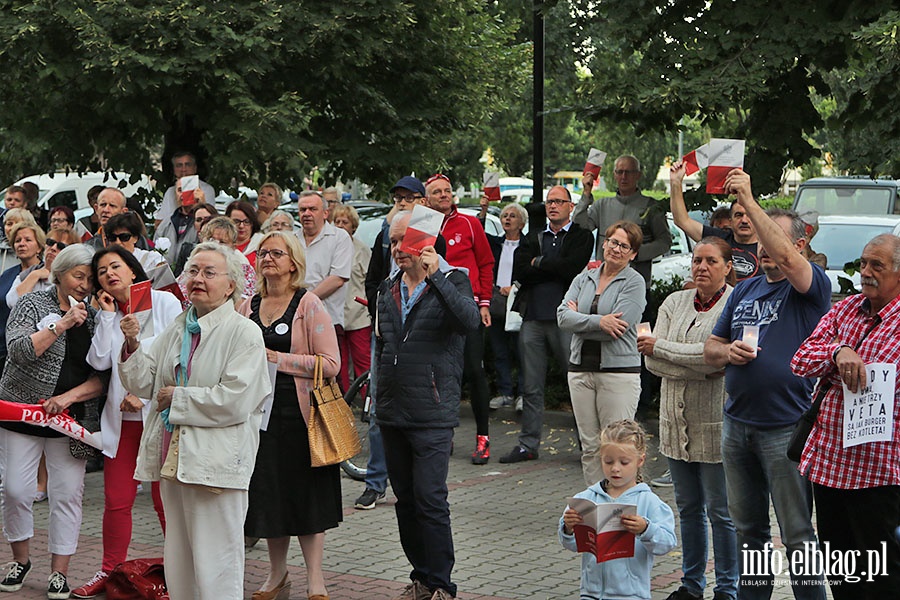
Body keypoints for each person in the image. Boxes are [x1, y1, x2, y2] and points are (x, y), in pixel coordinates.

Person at [118, 242, 270, 600]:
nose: (197, 279)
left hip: (217, 461)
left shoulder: (243, 332)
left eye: (208, 273)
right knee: (180, 557)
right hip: (176, 457)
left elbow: (237, 400)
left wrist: (179, 398)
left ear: (231, 285)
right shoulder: (179, 326)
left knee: (217, 558)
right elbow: (144, 382)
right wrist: (132, 345)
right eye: (193, 271)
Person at [704, 169, 830, 599]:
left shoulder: (810, 286)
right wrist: (728, 353)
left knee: (797, 533)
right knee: (748, 532)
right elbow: (711, 347)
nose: (763, 244)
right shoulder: (745, 290)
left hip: (786, 427)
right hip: (737, 424)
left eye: (772, 236)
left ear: (798, 245)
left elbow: (793, 264)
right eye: (760, 236)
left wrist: (749, 199)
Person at [376, 212, 480, 600]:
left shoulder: (453, 280)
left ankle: (442, 584)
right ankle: (420, 576)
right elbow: (382, 345)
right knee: (405, 500)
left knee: (430, 498)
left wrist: (435, 278)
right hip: (392, 409)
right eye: (392, 242)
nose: (397, 249)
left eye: (404, 240)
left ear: (425, 243)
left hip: (432, 412)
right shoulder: (388, 287)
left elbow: (469, 322)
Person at [790, 233, 900, 599]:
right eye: (864, 262)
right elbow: (802, 360)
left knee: (882, 576)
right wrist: (839, 351)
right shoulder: (844, 310)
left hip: (879, 471)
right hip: (832, 466)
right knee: (842, 574)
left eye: (877, 266)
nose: (866, 271)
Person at [70, 247, 182, 598]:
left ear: (133, 270)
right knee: (116, 500)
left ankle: (179, 574)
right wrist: (105, 317)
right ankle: (108, 570)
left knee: (165, 501)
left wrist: (145, 396)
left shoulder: (164, 302)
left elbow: (174, 356)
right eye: (101, 272)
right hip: (122, 423)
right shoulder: (107, 312)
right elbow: (100, 361)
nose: (109, 275)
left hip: (159, 418)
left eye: (115, 266)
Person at [237, 231, 342, 600]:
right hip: (258, 418)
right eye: (263, 253)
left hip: (301, 416)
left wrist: (278, 360)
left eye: (276, 253)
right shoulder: (247, 305)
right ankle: (277, 575)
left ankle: (316, 579)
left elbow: (331, 364)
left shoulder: (308, 303)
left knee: (306, 498)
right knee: (269, 497)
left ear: (293, 262)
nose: (267, 258)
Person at [0, 244, 103, 599]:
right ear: (59, 273)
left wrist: (69, 398)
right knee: (15, 490)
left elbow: (103, 374)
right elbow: (18, 350)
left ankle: (59, 572)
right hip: (21, 411)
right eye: (78, 276)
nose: (84, 285)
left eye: (90, 278)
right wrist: (61, 325)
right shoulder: (32, 303)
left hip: (69, 417)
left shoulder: (96, 314)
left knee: (67, 494)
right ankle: (20, 559)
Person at [640, 237, 738, 600]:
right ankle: (692, 585)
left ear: (727, 267)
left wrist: (667, 351)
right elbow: (651, 362)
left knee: (721, 512)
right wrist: (704, 363)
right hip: (673, 426)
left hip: (713, 426)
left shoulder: (734, 304)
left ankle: (728, 588)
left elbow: (722, 359)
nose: (702, 267)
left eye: (711, 261)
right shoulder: (673, 302)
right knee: (688, 508)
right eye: (697, 260)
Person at [500, 186, 593, 463]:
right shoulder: (532, 237)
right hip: (533, 319)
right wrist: (549, 267)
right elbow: (521, 272)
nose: (553, 206)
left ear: (570, 205)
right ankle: (528, 445)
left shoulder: (581, 236)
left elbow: (572, 269)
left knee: (576, 383)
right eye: (550, 202)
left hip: (567, 320)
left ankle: (588, 446)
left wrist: (538, 263)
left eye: (559, 202)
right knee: (531, 385)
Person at [356, 176, 430, 512]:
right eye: (397, 197)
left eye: (409, 197)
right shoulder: (386, 234)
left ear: (422, 200)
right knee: (378, 408)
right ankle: (375, 483)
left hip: (418, 331)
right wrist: (380, 308)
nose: (402, 202)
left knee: (418, 407)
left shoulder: (431, 233)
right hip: (385, 328)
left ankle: (415, 484)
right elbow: (373, 279)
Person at [558, 221, 647, 485]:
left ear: (633, 254)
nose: (616, 249)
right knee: (590, 447)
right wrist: (599, 321)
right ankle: (596, 511)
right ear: (604, 243)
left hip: (618, 374)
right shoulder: (584, 276)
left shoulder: (635, 282)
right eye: (612, 242)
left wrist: (580, 319)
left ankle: (621, 510)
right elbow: (562, 318)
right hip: (580, 371)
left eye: (624, 246)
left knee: (618, 448)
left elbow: (619, 327)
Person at [558, 420, 676, 600]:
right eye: (608, 461)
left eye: (624, 462)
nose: (615, 468)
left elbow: (666, 544)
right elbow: (572, 545)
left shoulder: (649, 501)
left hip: (631, 594)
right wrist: (568, 528)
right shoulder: (587, 498)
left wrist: (645, 528)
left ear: (640, 460)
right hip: (591, 593)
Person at [425, 174, 494, 464]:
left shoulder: (470, 223)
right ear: (426, 199)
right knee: (439, 375)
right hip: (432, 309)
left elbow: (486, 263)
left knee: (474, 372)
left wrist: (485, 304)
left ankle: (483, 437)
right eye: (437, 192)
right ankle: (444, 433)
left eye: (447, 191)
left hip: (468, 307)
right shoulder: (422, 225)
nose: (444, 195)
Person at [573, 155, 671, 284]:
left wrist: (636, 253)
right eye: (620, 172)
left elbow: (665, 242)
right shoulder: (602, 206)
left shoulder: (650, 207)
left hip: (636, 284)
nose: (624, 177)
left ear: (638, 175)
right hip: (603, 282)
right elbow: (579, 228)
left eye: (629, 172)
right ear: (614, 175)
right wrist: (586, 194)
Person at [670, 160, 759, 281]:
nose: (744, 220)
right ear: (730, 220)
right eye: (738, 215)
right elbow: (682, 221)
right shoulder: (718, 240)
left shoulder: (769, 246)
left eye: (749, 215)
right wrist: (676, 182)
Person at [483, 202, 527, 410]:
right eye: (504, 216)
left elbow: (533, 269)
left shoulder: (528, 245)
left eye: (512, 216)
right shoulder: (495, 243)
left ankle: (523, 394)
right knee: (499, 350)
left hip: (518, 303)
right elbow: (478, 233)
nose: (507, 219)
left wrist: (516, 285)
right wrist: (483, 210)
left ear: (522, 223)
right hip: (497, 303)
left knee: (521, 350)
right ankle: (505, 392)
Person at [296, 190, 352, 331]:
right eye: (303, 210)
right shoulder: (291, 240)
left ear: (325, 213)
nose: (307, 213)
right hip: (295, 320)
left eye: (313, 209)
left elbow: (337, 279)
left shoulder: (340, 238)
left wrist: (304, 301)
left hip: (328, 320)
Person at [331, 204, 372, 394]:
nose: (340, 225)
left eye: (344, 222)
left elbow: (369, 280)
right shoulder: (330, 248)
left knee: (362, 361)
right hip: (334, 313)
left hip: (358, 313)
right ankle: (344, 402)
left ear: (353, 226)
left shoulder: (362, 250)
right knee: (339, 363)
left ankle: (368, 400)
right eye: (336, 221)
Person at [0, 218, 43, 374]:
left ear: (39, 246)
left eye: (28, 240)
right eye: (17, 240)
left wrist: (35, 275)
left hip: (32, 350)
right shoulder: (7, 275)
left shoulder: (47, 275)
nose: (21, 243)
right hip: (3, 346)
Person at [153, 151, 216, 229]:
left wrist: (202, 203)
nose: (183, 169)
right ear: (174, 170)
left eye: (188, 164)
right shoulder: (170, 192)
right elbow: (158, 224)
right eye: (179, 165)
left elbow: (212, 222)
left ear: (195, 168)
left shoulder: (206, 189)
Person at [155, 181, 203, 267]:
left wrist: (202, 205)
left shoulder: (204, 222)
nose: (183, 194)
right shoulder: (167, 222)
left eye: (188, 190)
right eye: (180, 190)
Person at [103, 212, 167, 276]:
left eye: (124, 237)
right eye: (112, 238)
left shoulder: (152, 258)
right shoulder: (103, 264)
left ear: (135, 238)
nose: (118, 242)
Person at [172, 202, 220, 276]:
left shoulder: (222, 248)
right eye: (198, 220)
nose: (203, 222)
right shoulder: (187, 249)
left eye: (207, 219)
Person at [225, 200, 263, 268]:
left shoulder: (262, 243)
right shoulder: (221, 244)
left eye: (246, 221)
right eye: (236, 221)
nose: (241, 226)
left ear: (252, 223)